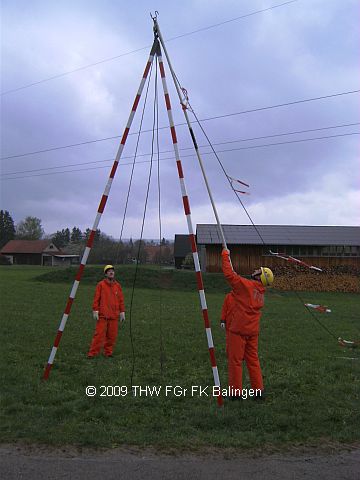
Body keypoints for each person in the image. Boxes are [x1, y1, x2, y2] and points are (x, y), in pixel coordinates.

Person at [221, 248, 273, 400]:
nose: (256, 270)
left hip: (238, 331)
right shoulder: (260, 293)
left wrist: (225, 255)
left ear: (260, 277)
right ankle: (258, 392)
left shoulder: (247, 286)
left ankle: (235, 393)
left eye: (259, 270)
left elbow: (230, 275)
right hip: (252, 332)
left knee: (235, 361)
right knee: (253, 361)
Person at [87, 265, 125, 358]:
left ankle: (108, 352)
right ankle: (92, 353)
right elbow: (96, 298)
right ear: (105, 274)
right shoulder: (101, 285)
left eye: (112, 271)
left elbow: (121, 300)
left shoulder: (118, 286)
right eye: (109, 271)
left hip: (114, 316)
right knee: (99, 335)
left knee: (112, 336)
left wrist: (122, 312)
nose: (111, 272)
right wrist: (95, 310)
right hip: (103, 316)